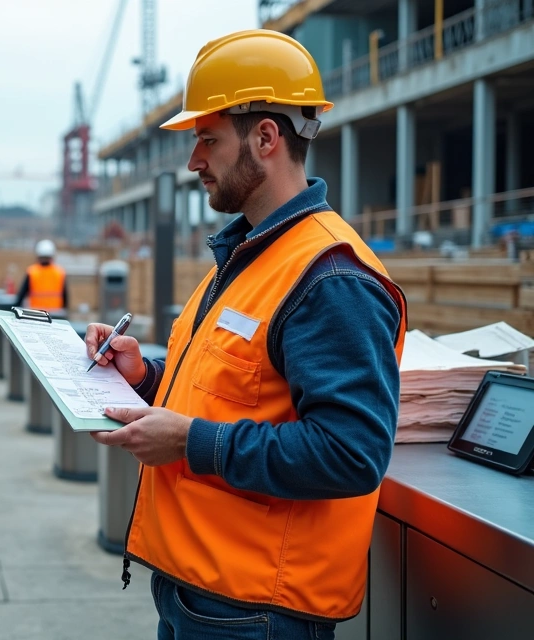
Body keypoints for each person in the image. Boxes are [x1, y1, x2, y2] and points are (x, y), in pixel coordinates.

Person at [84, 29, 407, 639]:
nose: (193, 160)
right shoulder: (254, 255)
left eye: (207, 139)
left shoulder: (330, 277)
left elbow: (350, 454)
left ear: (265, 137)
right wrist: (146, 376)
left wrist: (190, 443)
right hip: (201, 589)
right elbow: (237, 388)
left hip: (256, 611)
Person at [12, 239, 68, 312]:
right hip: (55, 314)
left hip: (36, 314)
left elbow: (22, 294)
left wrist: (15, 309)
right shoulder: (59, 272)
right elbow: (65, 296)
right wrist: (65, 312)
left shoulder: (32, 271)